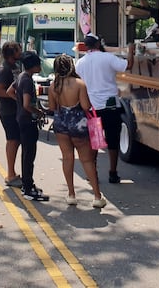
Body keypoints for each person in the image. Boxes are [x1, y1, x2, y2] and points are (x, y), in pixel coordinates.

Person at [48, 54, 106, 208]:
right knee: (86, 160)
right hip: (79, 125)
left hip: (61, 125)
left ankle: (71, 194)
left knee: (67, 158)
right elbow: (86, 106)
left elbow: (52, 108)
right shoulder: (80, 84)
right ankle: (97, 196)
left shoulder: (54, 86)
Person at [74, 33, 133, 184]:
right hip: (111, 106)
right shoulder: (108, 58)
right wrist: (131, 50)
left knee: (95, 141)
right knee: (113, 141)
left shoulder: (80, 63)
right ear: (98, 43)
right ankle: (113, 173)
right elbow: (128, 65)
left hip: (92, 108)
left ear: (86, 46)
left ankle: (92, 173)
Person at [8, 51, 48, 201]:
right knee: (29, 155)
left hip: (21, 119)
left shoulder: (21, 76)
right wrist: (38, 112)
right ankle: (28, 187)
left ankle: (28, 184)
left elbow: (10, 91)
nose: (40, 66)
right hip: (27, 121)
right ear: (33, 66)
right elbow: (26, 104)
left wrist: (18, 101)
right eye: (38, 64)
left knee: (26, 153)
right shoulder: (27, 81)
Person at [0, 41, 23, 187]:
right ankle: (10, 174)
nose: (21, 52)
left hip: (16, 110)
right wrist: (16, 97)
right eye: (18, 50)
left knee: (17, 140)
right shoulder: (4, 69)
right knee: (12, 140)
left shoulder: (15, 67)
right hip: (8, 110)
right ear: (12, 53)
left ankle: (12, 172)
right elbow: (0, 90)